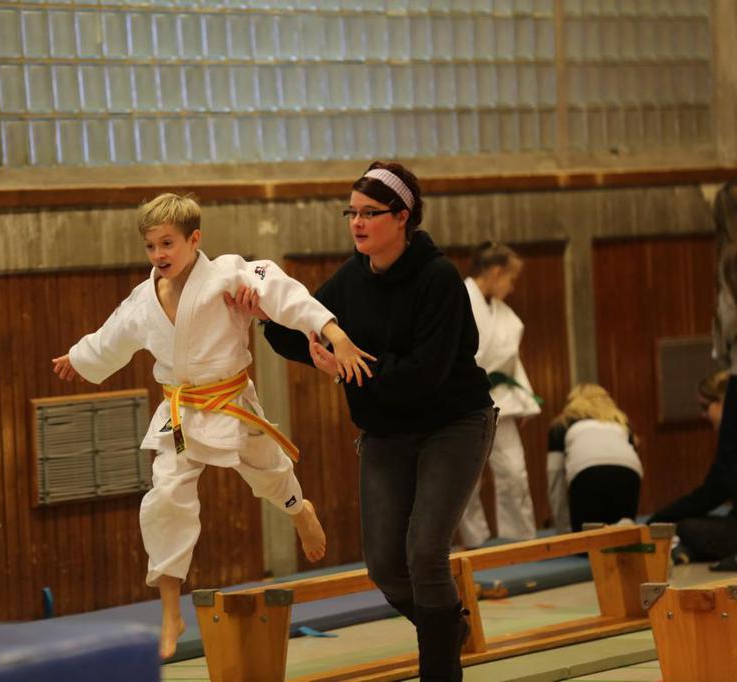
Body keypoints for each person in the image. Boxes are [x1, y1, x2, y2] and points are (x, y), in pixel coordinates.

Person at [50, 193, 374, 659]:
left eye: (167, 243)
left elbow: (285, 295)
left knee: (270, 473)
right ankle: (170, 611)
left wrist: (335, 334)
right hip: (180, 412)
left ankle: (299, 510)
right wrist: (79, 357)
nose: (158, 254)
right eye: (150, 246)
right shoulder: (143, 300)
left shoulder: (227, 274)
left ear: (194, 239)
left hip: (231, 402)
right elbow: (110, 337)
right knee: (165, 498)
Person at [236, 161, 496, 682]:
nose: (356, 222)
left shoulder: (439, 279)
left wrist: (348, 366)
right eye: (351, 212)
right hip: (386, 431)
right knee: (383, 565)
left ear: (402, 217)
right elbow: (302, 331)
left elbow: (423, 375)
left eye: (369, 213)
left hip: (452, 423)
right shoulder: (352, 278)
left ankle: (439, 668)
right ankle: (446, 628)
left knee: (425, 551)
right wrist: (266, 314)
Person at [457, 242, 541, 547]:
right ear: (495, 273)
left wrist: (524, 402)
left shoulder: (504, 314)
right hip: (461, 404)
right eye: (510, 278)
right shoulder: (458, 300)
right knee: (466, 478)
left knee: (514, 471)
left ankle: (519, 537)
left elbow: (511, 362)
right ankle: (475, 541)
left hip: (500, 402)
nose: (512, 287)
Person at [651, 369, 737, 569]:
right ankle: (683, 550)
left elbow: (710, 493)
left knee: (687, 527)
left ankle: (681, 549)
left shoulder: (731, 439)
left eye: (706, 407)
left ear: (724, 402)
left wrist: (657, 521)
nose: (703, 415)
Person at [544, 384, 642, 533]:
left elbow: (555, 476)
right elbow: (631, 459)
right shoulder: (621, 423)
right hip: (629, 474)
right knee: (624, 534)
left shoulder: (561, 425)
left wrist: (562, 529)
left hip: (587, 475)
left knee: (587, 537)